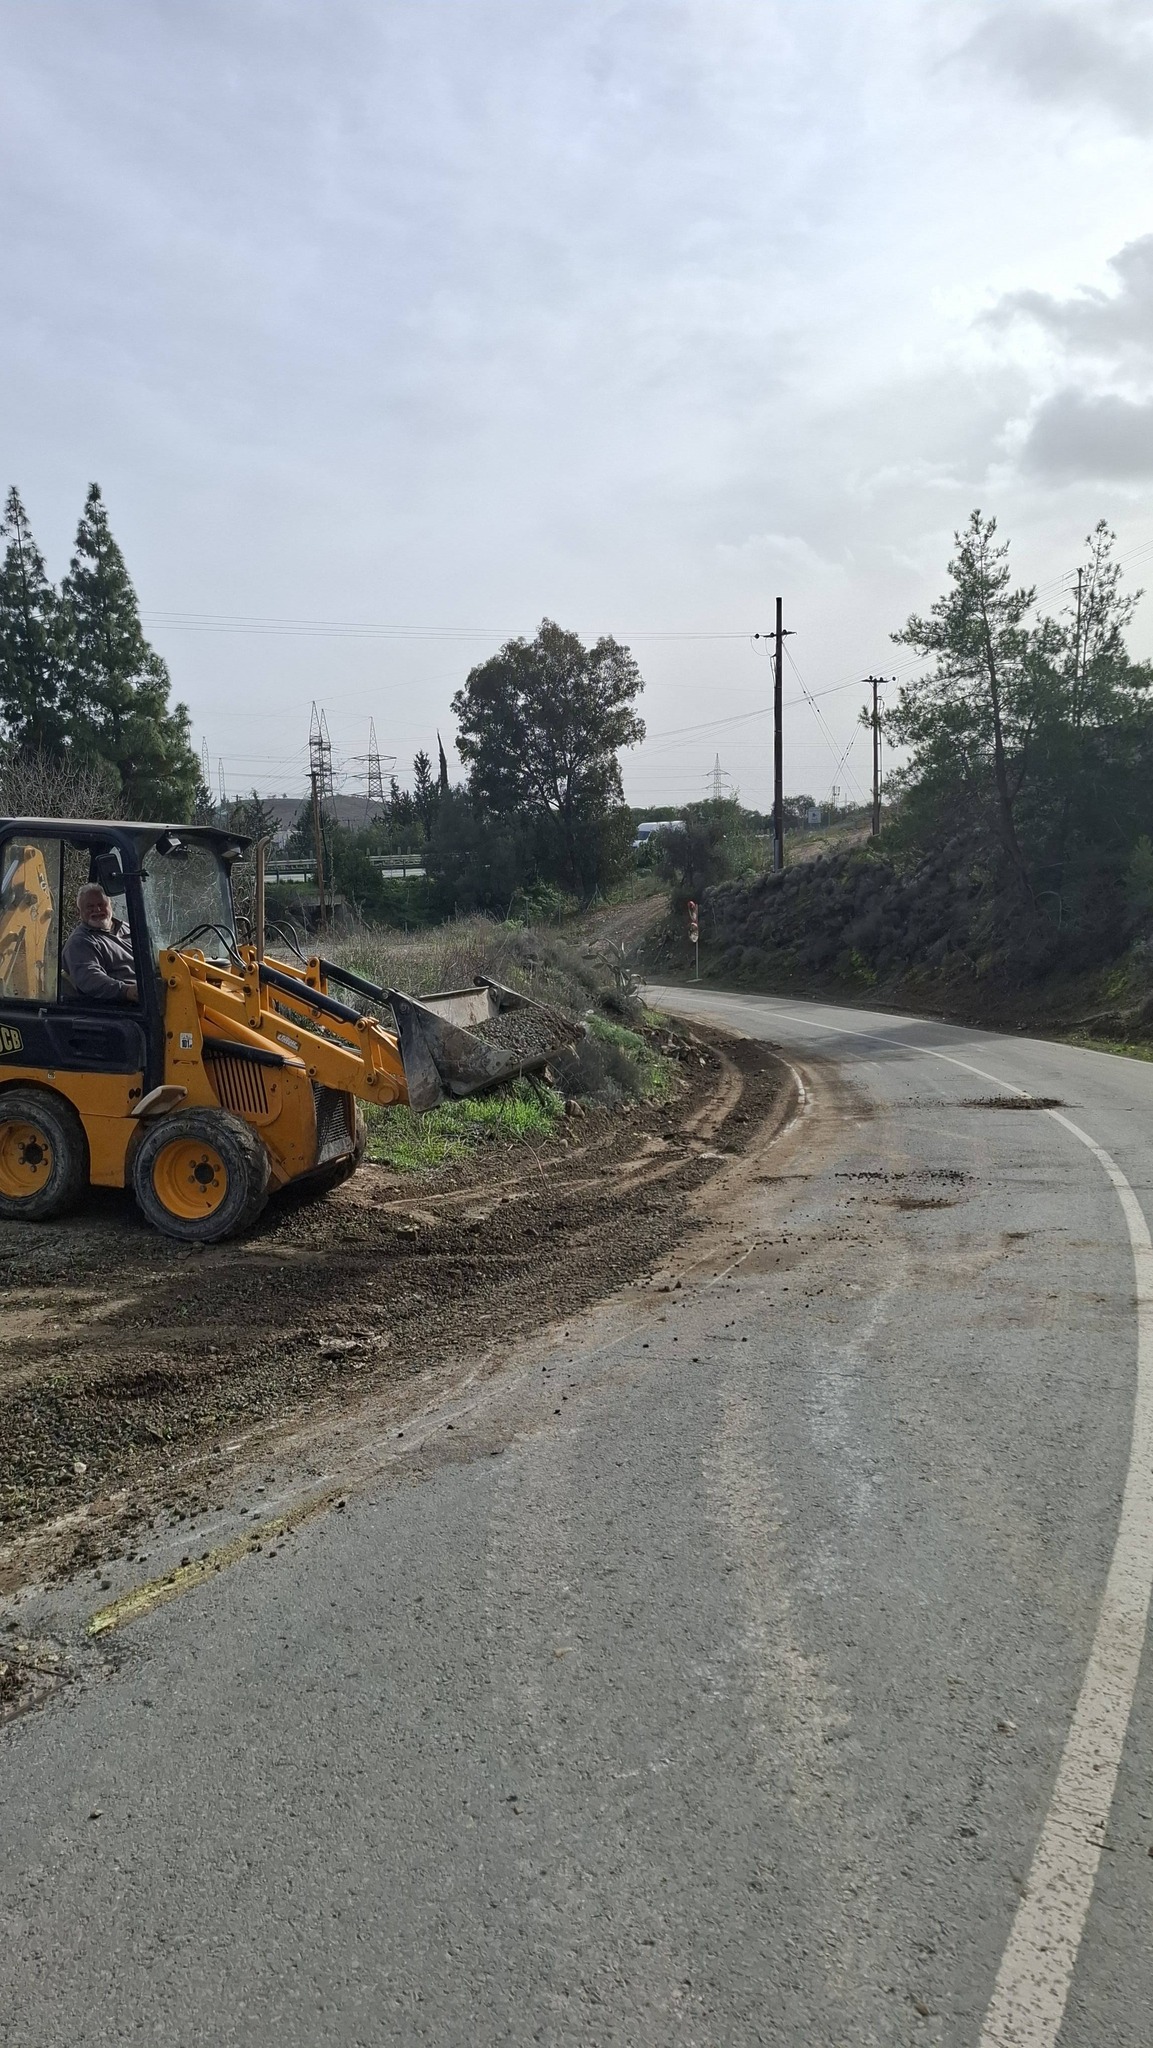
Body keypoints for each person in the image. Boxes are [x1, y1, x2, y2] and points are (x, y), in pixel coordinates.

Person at [63, 884, 139, 1002]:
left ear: (110, 905)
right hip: (123, 1005)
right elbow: (90, 978)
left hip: (148, 992)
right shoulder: (80, 942)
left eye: (101, 904)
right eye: (90, 906)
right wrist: (126, 990)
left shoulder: (129, 929)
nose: (97, 910)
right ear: (79, 911)